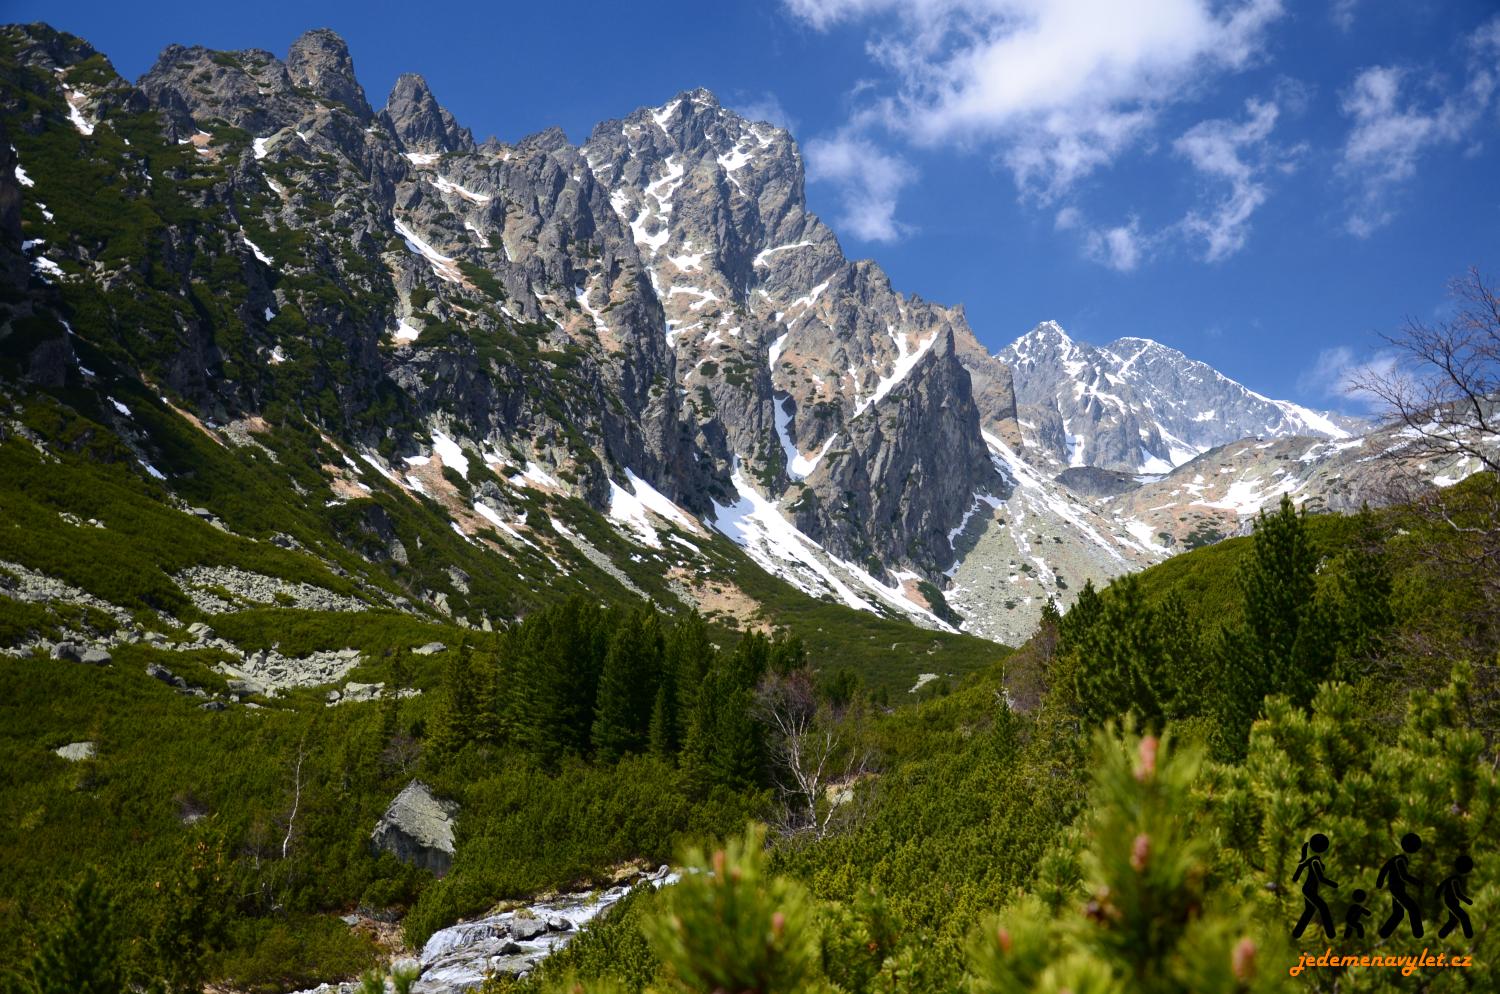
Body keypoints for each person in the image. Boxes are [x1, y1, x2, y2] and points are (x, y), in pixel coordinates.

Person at [1377, 833, 1424, 938]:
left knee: (1398, 913)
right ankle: (1418, 934)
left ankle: (1383, 934)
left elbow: (1384, 869)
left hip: (1395, 888)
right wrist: (1417, 882)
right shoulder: (1400, 860)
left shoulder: (1396, 859)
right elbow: (1404, 876)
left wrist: (1379, 883)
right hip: (1397, 889)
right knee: (1413, 908)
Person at [1292, 833, 1338, 939]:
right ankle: (1331, 934)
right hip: (1309, 890)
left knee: (1310, 910)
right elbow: (1321, 878)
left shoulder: (1312, 860)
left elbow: (1301, 866)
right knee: (1323, 907)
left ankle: (1296, 933)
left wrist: (1296, 877)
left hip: (1308, 889)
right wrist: (1333, 884)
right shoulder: (1315, 862)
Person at [1437, 855, 1475, 940]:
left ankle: (1441, 935)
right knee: (1464, 917)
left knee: (1453, 921)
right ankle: (1470, 937)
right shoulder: (1455, 879)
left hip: (1450, 901)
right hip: (1451, 901)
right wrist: (1468, 901)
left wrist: (1437, 895)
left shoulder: (1452, 878)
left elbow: (1441, 886)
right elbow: (1458, 894)